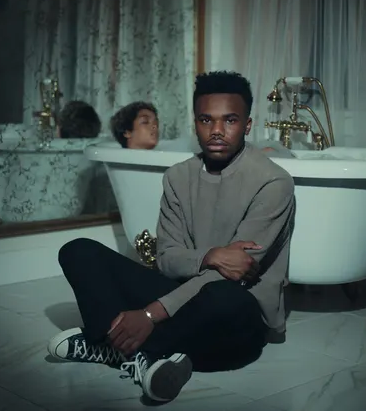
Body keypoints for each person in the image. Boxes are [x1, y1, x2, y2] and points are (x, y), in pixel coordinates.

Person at [46, 71, 296, 403]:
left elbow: (237, 274)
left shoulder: (273, 182)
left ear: (247, 125)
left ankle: (112, 345)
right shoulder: (178, 177)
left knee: (226, 298)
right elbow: (166, 258)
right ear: (196, 123)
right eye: (206, 120)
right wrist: (209, 256)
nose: (217, 130)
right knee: (78, 251)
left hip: (239, 313)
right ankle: (145, 355)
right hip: (181, 295)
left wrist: (149, 315)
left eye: (230, 120)